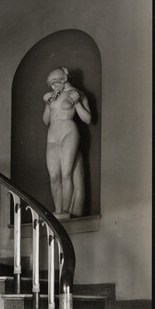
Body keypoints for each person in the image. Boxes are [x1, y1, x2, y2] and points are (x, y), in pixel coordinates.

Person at [42, 67, 92, 219]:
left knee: (66, 173)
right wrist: (46, 104)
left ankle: (65, 211)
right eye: (50, 84)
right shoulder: (52, 96)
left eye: (54, 83)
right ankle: (57, 211)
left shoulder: (77, 93)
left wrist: (77, 103)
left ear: (64, 79)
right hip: (52, 135)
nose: (52, 87)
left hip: (69, 132)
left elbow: (88, 119)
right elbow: (46, 121)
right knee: (54, 176)